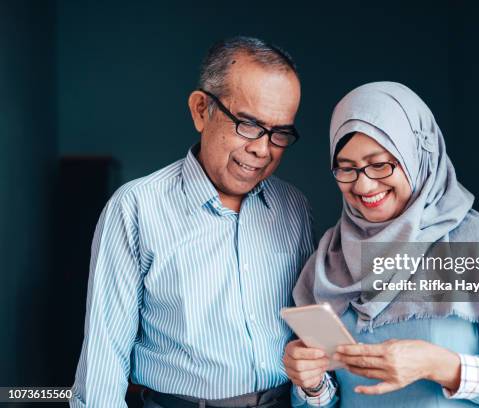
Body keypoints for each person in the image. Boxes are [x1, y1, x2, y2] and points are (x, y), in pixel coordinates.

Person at [70, 36, 314, 408]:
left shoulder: (293, 207)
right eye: (248, 124)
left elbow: (310, 328)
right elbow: (105, 357)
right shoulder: (136, 207)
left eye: (279, 133)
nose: (263, 150)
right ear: (201, 110)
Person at [284, 82, 479, 407]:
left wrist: (438, 365)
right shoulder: (330, 259)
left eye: (380, 163)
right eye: (347, 168)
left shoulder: (475, 242)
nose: (364, 184)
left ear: (417, 155)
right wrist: (311, 386)